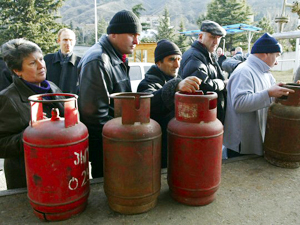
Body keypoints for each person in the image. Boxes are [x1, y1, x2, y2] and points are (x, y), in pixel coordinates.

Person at [78, 10, 142, 178]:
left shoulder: (119, 56)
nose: (137, 41)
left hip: (118, 140)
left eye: (138, 35)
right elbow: (95, 117)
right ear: (113, 34)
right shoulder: (98, 60)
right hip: (108, 147)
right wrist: (120, 141)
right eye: (131, 35)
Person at [0, 39, 64, 189]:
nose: (41, 66)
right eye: (32, 63)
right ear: (17, 71)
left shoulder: (53, 88)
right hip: (28, 179)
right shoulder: (7, 99)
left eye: (41, 59)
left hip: (58, 170)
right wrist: (30, 134)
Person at [223, 33, 294, 158]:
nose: (277, 62)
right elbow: (239, 104)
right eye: (276, 56)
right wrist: (269, 93)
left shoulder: (266, 73)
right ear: (265, 53)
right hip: (242, 145)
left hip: (255, 141)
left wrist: (279, 93)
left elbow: (267, 98)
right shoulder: (244, 71)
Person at [137, 40, 201, 168]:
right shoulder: (147, 83)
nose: (177, 64)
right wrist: (175, 86)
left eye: (179, 59)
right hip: (157, 154)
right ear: (158, 63)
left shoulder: (176, 79)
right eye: (172, 59)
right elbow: (150, 102)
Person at [180, 20, 227, 124]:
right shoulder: (194, 56)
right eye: (212, 37)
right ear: (200, 36)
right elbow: (202, 85)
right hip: (200, 121)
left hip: (207, 119)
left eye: (218, 38)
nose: (216, 42)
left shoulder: (208, 55)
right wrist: (221, 84)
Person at [44, 28, 81, 94]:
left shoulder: (80, 62)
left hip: (72, 102)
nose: (68, 43)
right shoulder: (47, 60)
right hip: (50, 102)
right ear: (58, 41)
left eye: (71, 40)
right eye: (65, 40)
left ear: (75, 41)